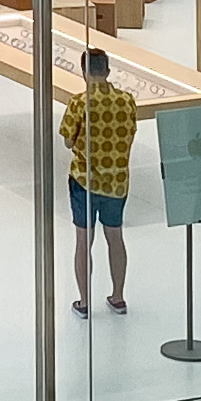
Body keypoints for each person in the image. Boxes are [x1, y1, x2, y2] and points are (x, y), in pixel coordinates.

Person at [61, 48, 139, 314]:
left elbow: (68, 140)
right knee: (115, 237)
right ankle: (118, 297)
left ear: (84, 72)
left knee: (84, 240)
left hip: (84, 180)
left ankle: (84, 302)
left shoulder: (79, 103)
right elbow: (131, 133)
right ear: (107, 71)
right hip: (117, 181)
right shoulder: (126, 101)